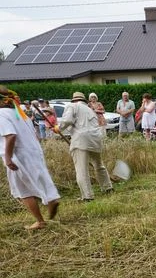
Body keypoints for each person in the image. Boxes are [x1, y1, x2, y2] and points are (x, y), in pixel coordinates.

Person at [0, 86, 60, 230]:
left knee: (22, 190)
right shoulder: (20, 113)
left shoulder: (1, 114)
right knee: (41, 178)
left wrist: (8, 158)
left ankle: (40, 221)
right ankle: (51, 199)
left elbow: (11, 135)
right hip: (33, 150)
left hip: (17, 154)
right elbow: (33, 134)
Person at [56, 92, 112, 202]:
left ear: (74, 100)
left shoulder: (72, 106)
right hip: (95, 139)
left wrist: (59, 128)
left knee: (81, 169)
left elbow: (67, 120)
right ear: (84, 100)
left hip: (81, 140)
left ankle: (87, 196)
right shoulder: (90, 109)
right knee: (99, 165)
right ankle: (107, 187)